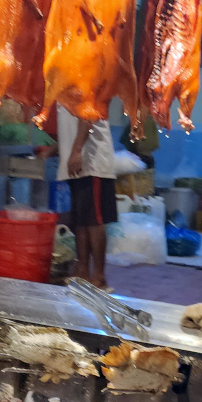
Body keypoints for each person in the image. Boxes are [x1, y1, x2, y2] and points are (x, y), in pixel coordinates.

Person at [57, 107, 117, 288]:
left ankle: (99, 276)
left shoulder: (83, 79)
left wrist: (76, 151)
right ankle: (82, 271)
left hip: (92, 162)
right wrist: (58, 148)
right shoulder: (63, 84)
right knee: (81, 221)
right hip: (76, 163)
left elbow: (88, 115)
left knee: (94, 221)